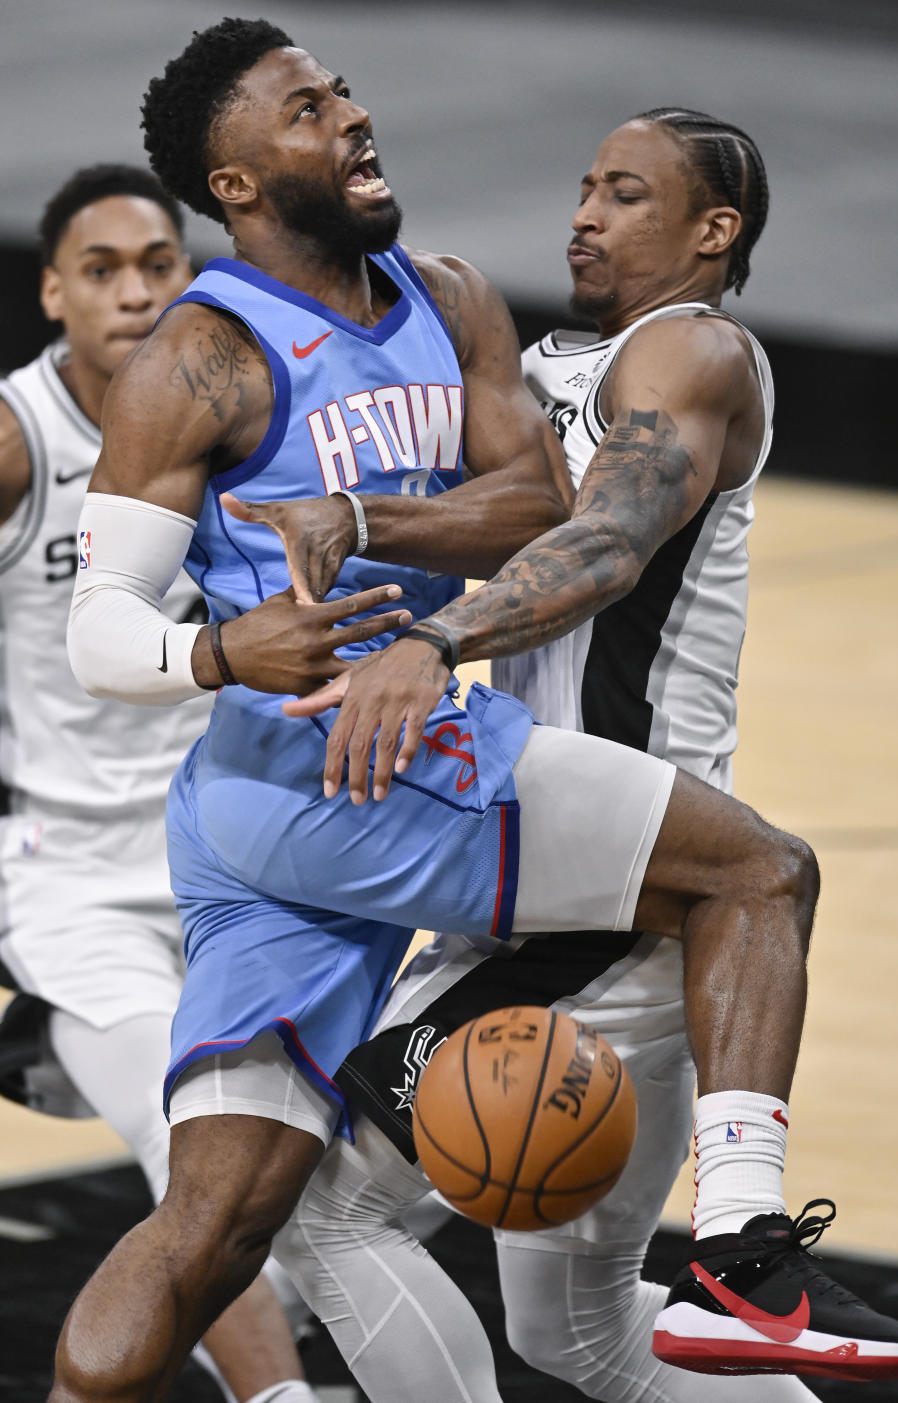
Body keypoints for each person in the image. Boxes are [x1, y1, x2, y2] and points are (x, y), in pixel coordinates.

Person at [52, 19, 898, 1402]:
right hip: (377, 782)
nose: (350, 113)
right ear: (234, 181)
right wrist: (220, 650)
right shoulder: (209, 357)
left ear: (715, 234)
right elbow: (99, 629)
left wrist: (388, 561)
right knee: (763, 867)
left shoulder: (604, 335)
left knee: (254, 1223)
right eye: (306, 106)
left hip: (400, 801)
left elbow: (560, 522)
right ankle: (750, 1246)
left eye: (622, 193)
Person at [266, 108, 821, 1403]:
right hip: (547, 874)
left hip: (608, 896)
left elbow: (606, 542)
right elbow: (532, 514)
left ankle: (751, 1224)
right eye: (582, 186)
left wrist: (435, 640)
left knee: (316, 1207)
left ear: (712, 232)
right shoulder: (577, 366)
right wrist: (359, 516)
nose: (582, 211)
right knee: (577, 1334)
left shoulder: (691, 348)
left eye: (623, 193)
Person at [0, 163, 318, 1403]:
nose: (135, 292)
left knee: (296, 1181)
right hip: (73, 881)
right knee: (186, 1140)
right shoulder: (24, 438)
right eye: (102, 269)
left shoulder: (242, 414)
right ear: (52, 293)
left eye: (158, 265)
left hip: (234, 852)